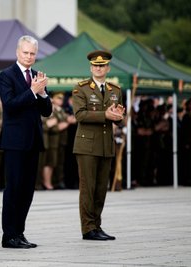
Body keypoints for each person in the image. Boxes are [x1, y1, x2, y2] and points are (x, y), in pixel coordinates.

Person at [0, 35, 52, 249]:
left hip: (33, 140)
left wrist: (43, 93)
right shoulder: (7, 75)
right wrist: (32, 91)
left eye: (32, 53)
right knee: (14, 189)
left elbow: (46, 111)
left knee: (27, 190)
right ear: (17, 52)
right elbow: (10, 105)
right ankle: (8, 235)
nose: (29, 57)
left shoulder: (38, 76)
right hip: (14, 141)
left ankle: (19, 232)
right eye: (25, 53)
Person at [72, 50, 125, 241]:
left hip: (105, 145)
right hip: (86, 145)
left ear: (108, 68)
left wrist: (119, 117)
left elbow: (118, 118)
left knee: (101, 188)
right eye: (95, 65)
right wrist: (106, 115)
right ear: (91, 68)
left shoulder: (115, 90)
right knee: (88, 188)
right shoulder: (81, 89)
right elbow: (80, 115)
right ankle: (88, 229)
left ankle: (97, 225)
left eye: (102, 66)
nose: (98, 68)